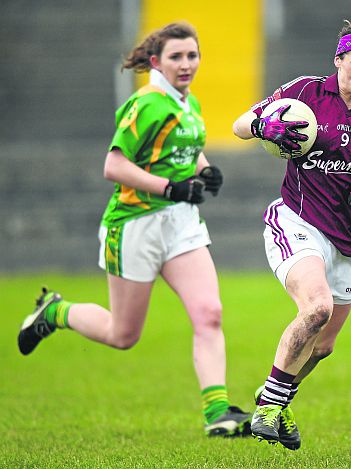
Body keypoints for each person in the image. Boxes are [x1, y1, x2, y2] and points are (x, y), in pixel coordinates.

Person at [17, 22, 251, 437]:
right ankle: (54, 312)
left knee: (209, 313)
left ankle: (218, 414)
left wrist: (205, 170)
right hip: (134, 225)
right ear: (155, 62)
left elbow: (185, 148)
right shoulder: (147, 104)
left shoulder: (186, 101)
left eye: (192, 56)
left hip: (180, 225)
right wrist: (170, 186)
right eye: (176, 57)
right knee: (123, 335)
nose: (186, 64)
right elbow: (114, 166)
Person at [232, 20, 351, 450]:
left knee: (322, 347)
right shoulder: (305, 92)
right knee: (317, 307)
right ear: (339, 60)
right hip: (298, 220)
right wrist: (262, 127)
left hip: (348, 239)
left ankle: (276, 394)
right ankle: (270, 406)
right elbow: (239, 125)